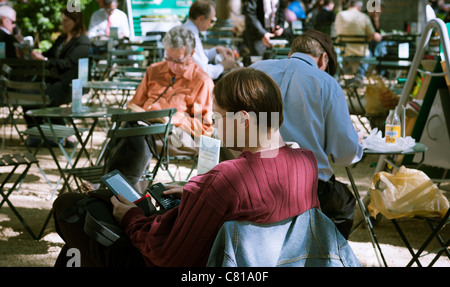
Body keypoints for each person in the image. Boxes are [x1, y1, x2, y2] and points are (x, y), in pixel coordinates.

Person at [52, 67, 322, 267]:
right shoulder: (306, 162)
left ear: (243, 120)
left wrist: (131, 218)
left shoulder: (226, 178)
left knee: (70, 207)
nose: (214, 125)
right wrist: (195, 193)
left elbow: (167, 257)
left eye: (217, 116)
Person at [251, 29, 363, 239]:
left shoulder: (255, 69)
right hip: (306, 184)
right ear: (324, 59)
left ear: (291, 53)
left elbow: (229, 132)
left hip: (251, 174)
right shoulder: (326, 83)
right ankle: (325, 256)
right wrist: (356, 142)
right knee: (345, 202)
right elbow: (345, 155)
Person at [107, 25, 214, 187]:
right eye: (167, 58)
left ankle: (112, 187)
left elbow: (205, 128)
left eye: (177, 60)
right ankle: (122, 190)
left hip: (178, 136)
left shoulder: (201, 80)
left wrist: (175, 119)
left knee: (133, 132)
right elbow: (134, 104)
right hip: (144, 128)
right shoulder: (154, 70)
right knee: (129, 128)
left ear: (191, 54)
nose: (171, 65)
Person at [26, 8, 90, 146]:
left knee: (48, 99)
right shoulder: (62, 38)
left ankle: (65, 135)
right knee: (27, 95)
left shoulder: (83, 41)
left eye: (66, 21)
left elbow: (68, 63)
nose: (63, 24)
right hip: (53, 80)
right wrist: (36, 54)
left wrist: (45, 61)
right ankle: (35, 133)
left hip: (70, 84)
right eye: (62, 21)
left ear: (76, 21)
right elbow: (49, 53)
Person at [183, 0, 236, 80]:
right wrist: (222, 66)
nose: (211, 25)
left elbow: (198, 56)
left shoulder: (188, 30)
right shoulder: (189, 35)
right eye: (211, 21)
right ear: (201, 18)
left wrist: (217, 50)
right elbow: (203, 71)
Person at [334, 0, 382, 84]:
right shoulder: (364, 17)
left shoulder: (340, 15)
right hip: (361, 52)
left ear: (349, 5)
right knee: (372, 51)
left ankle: (338, 76)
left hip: (343, 51)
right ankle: (360, 75)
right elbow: (371, 35)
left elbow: (337, 31)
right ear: (359, 7)